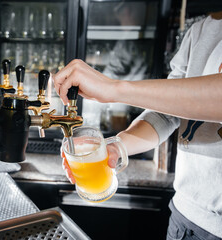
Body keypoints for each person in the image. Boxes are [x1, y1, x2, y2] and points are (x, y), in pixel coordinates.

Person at [53, 12, 222, 240]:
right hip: (185, 215)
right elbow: (167, 114)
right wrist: (115, 147)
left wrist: (114, 89)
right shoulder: (201, 30)